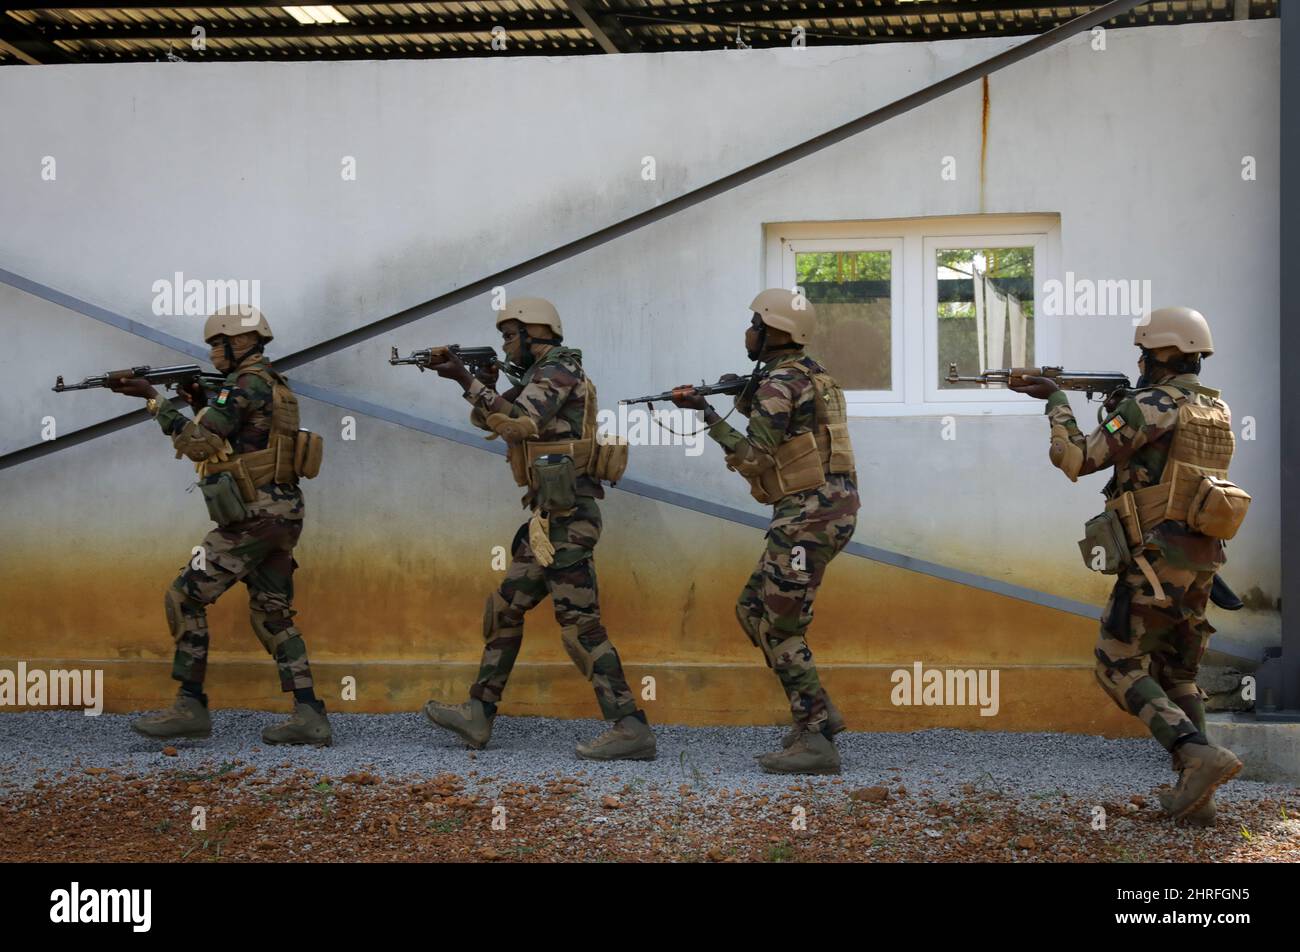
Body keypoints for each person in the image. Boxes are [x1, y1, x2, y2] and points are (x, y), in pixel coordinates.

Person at [1010, 306, 1244, 824]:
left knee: (1116, 661)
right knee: (1177, 672)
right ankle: (1198, 797)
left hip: (1156, 557)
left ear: (1162, 354)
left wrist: (1055, 402)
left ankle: (1195, 755)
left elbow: (1076, 459)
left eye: (1144, 352)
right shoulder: (1214, 410)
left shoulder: (1150, 404)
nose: (1139, 360)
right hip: (1202, 558)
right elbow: (1166, 470)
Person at [420, 297, 655, 760]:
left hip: (569, 521)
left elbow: (517, 426)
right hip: (548, 519)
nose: (506, 345)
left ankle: (632, 728)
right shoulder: (539, 376)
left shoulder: (558, 370)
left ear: (535, 333)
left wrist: (466, 380)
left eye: (511, 335)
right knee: (505, 609)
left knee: (580, 627)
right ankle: (478, 713)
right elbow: (499, 415)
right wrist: (482, 385)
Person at [111, 306, 330, 745]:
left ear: (243, 341)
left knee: (184, 597)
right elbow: (245, 436)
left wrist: (154, 400)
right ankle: (311, 716)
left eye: (218, 343)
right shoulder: (272, 384)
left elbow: (197, 444)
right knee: (273, 615)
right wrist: (198, 401)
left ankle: (190, 706)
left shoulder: (244, 384)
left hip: (253, 517)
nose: (212, 351)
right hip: (282, 513)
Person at [671, 289, 859, 774]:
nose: (748, 331)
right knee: (752, 608)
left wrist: (707, 414)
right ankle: (819, 712)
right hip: (826, 513)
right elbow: (796, 426)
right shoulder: (810, 375)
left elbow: (755, 455)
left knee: (779, 625)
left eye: (755, 323)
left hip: (806, 518)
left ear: (773, 332)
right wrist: (741, 392)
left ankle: (815, 737)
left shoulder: (780, 382)